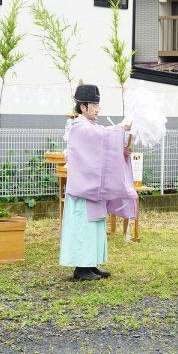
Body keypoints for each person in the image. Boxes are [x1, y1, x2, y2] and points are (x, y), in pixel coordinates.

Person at [59, 84, 136, 281]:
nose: (97, 108)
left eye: (98, 104)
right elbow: (101, 137)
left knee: (94, 226)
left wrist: (121, 151)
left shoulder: (91, 127)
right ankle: (81, 268)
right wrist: (120, 129)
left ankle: (91, 263)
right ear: (82, 107)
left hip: (93, 185)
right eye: (94, 104)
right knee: (83, 226)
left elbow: (104, 146)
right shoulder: (78, 127)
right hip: (83, 188)